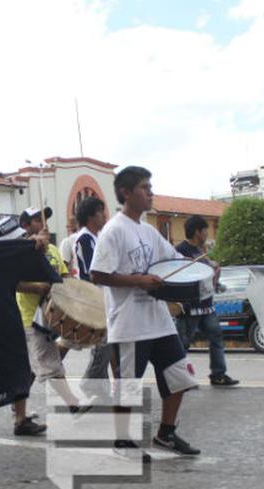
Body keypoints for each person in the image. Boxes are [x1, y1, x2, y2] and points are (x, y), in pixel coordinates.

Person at [90, 166, 201, 458]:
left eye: (150, 187)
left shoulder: (148, 231)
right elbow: (98, 274)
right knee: (128, 385)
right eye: (144, 187)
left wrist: (205, 267)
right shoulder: (113, 230)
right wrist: (139, 280)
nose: (150, 193)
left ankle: (166, 433)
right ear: (126, 193)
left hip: (159, 321)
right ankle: (123, 440)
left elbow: (174, 258)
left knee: (179, 376)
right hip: (129, 323)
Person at [10, 207, 81, 436]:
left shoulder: (51, 249)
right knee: (52, 364)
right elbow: (13, 282)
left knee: (25, 371)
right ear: (25, 226)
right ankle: (73, 405)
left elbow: (63, 276)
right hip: (31, 318)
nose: (43, 223)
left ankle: (20, 419)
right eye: (36, 220)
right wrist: (37, 287)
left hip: (49, 317)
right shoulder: (20, 250)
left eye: (44, 219)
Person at [175, 215, 238, 387]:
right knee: (183, 343)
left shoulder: (200, 251)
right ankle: (180, 379)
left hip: (206, 305)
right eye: (204, 230)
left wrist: (214, 271)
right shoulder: (181, 251)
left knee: (216, 336)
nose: (206, 234)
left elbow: (206, 273)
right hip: (190, 306)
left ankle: (218, 374)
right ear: (197, 231)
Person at [73, 196, 114, 381]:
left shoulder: (94, 238)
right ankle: (90, 382)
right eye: (100, 213)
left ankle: (100, 386)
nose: (104, 217)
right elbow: (93, 272)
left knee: (106, 345)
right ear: (90, 216)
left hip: (101, 297)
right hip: (95, 298)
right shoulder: (85, 239)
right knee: (103, 345)